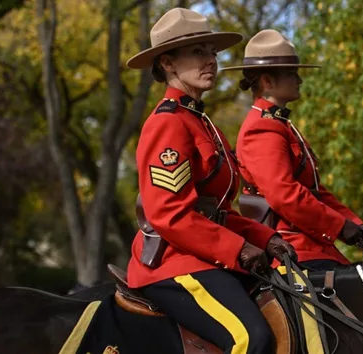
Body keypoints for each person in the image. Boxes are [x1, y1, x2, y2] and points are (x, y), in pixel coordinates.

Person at [125, 10, 296, 354]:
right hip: (173, 263)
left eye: (212, 52)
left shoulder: (203, 123)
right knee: (251, 339)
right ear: (169, 63)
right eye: (198, 53)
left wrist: (266, 237)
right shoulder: (168, 124)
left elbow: (215, 211)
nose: (211, 61)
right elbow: (171, 215)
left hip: (204, 256)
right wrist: (239, 249)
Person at [221, 29, 363, 271]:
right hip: (289, 246)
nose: (299, 80)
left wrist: (355, 224)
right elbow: (284, 195)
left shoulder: (280, 124)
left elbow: (315, 191)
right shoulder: (262, 128)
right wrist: (340, 227)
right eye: (291, 73)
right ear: (267, 82)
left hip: (312, 242)